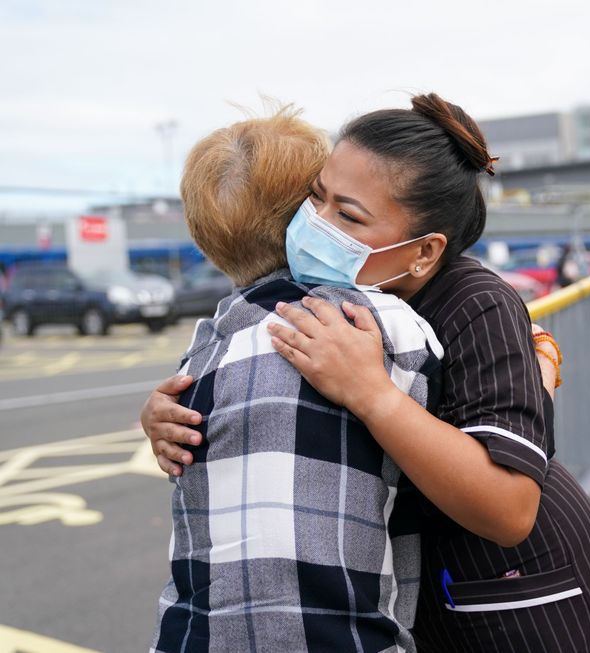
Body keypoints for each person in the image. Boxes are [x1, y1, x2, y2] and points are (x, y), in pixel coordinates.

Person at [143, 93, 590, 653]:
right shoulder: (348, 294)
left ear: (423, 252)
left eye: (348, 216)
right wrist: (175, 411)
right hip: (433, 601)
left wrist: (372, 394)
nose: (316, 224)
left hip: (518, 603)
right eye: (315, 198)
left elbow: (510, 509)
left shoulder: (475, 301)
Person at [148, 109, 444, 652]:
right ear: (302, 218)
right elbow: (451, 425)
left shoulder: (204, 348)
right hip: (339, 637)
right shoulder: (377, 322)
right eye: (319, 197)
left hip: (192, 636)